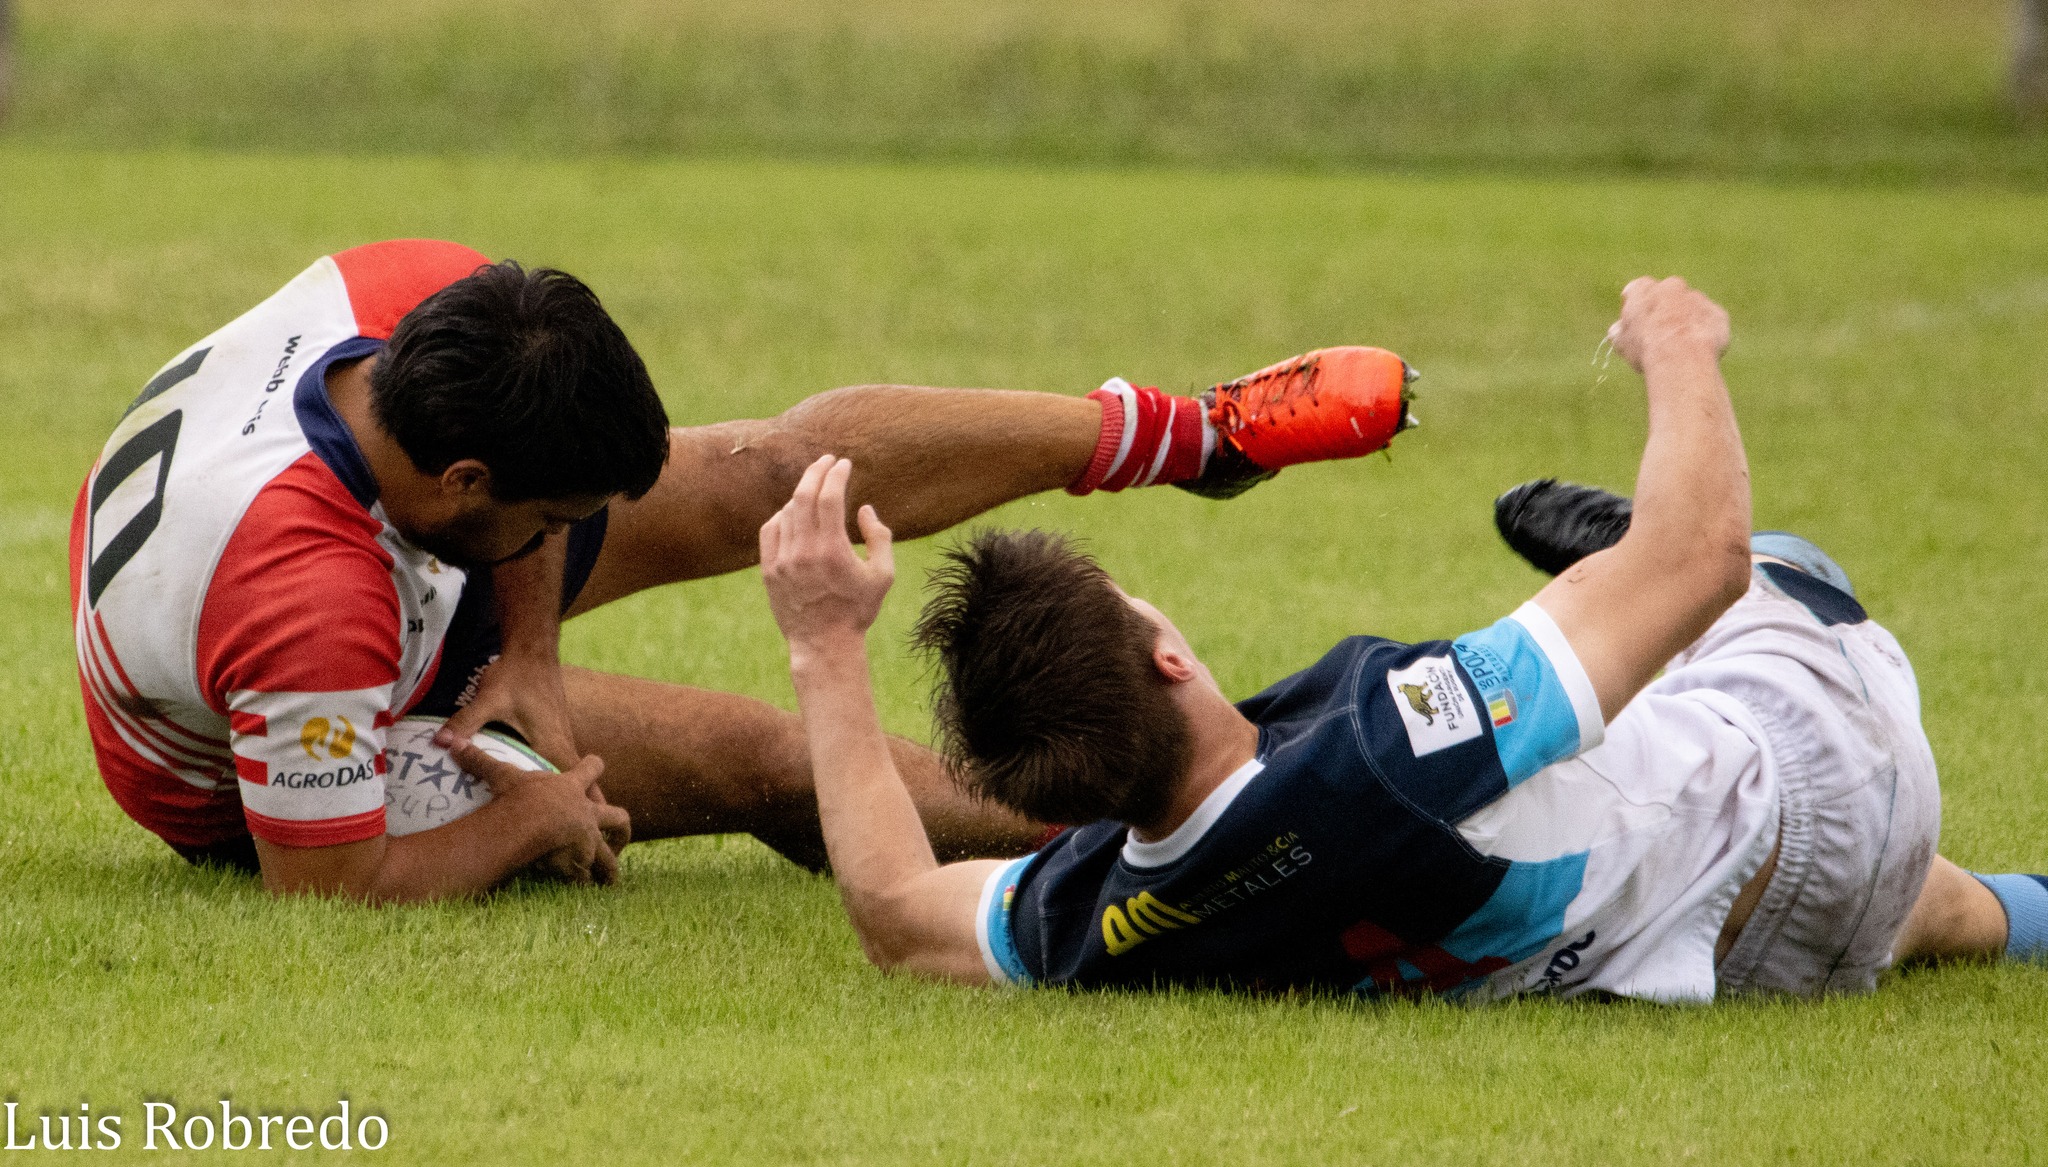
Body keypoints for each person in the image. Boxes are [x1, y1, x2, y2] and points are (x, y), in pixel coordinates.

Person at [745, 276, 2047, 1001]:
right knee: (1756, 574)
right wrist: (1677, 347)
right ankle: (1656, 579)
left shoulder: (1101, 918)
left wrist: (824, 652)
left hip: (1740, 943)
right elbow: (1693, 558)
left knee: (1922, 905)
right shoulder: (1395, 743)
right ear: (1168, 654)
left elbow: (897, 913)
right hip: (1813, 774)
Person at [72, 238, 1416, 901]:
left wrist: (530, 651)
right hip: (261, 762)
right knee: (769, 759)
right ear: (470, 486)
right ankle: (1213, 832)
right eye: (564, 518)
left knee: (771, 474)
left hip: (391, 568)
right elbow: (330, 885)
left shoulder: (427, 304)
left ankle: (1194, 436)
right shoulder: (311, 606)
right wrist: (530, 822)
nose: (583, 532)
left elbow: (537, 497)